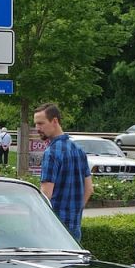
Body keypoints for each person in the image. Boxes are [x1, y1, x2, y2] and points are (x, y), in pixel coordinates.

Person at [34, 102, 92, 241]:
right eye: (36, 124)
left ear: (54, 121)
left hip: (53, 229)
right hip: (74, 228)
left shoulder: (51, 153)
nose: (37, 128)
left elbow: (46, 195)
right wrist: (75, 212)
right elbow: (89, 189)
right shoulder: (78, 150)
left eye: (41, 123)